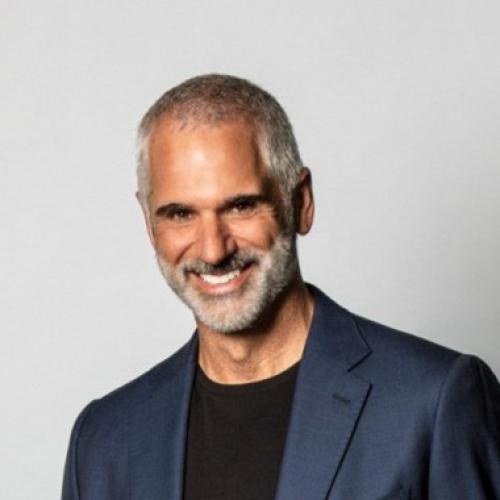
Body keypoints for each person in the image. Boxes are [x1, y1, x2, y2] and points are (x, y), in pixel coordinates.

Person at [62, 74, 500, 500]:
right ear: (148, 222)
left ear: (300, 202)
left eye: (240, 206)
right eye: (180, 214)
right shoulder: (103, 441)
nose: (213, 250)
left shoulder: (433, 401)